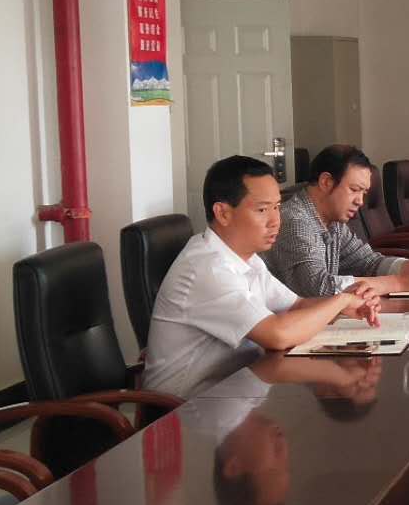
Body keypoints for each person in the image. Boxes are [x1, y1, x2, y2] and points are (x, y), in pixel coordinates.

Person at [145, 155, 382, 399]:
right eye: (262, 210)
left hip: (239, 391)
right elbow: (277, 335)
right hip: (187, 409)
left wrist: (347, 303)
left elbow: (296, 305)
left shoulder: (246, 258)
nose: (275, 221)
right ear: (223, 213)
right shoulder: (206, 269)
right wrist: (340, 302)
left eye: (277, 207)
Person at [263, 144, 409, 298]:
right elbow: (319, 289)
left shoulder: (333, 222)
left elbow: (368, 262)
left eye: (363, 193)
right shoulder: (295, 221)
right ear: (326, 182)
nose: (360, 201)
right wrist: (400, 282)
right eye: (354, 190)